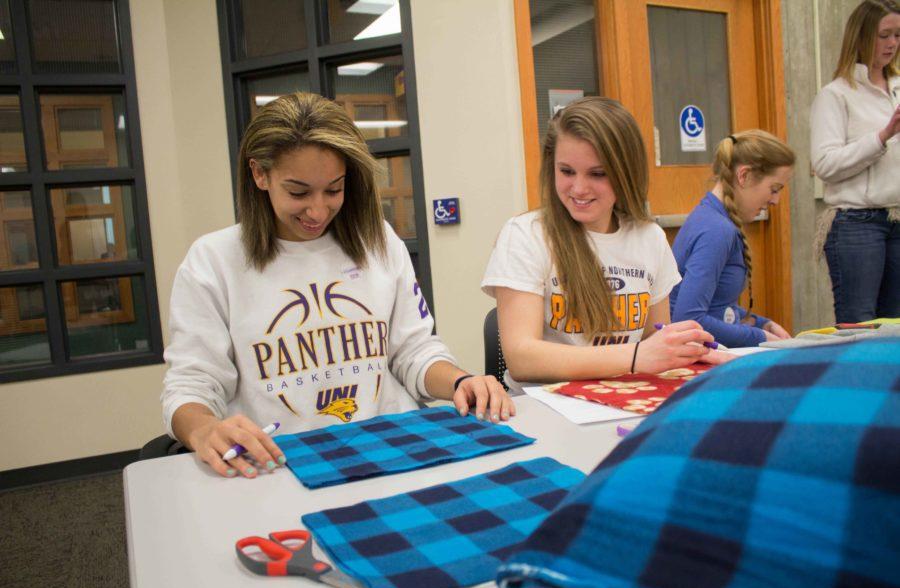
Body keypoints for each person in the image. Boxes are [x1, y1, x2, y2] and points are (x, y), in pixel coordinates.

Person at [162, 92, 513, 479]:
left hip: (394, 450)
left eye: (334, 190)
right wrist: (204, 429)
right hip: (280, 464)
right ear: (260, 175)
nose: (317, 211)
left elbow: (414, 350)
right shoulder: (213, 261)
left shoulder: (378, 240)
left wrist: (461, 381)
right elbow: (191, 385)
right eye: (298, 192)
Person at [481, 97, 728, 394]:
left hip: (626, 399)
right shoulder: (525, 235)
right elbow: (522, 359)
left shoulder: (649, 237)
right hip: (548, 407)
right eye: (566, 171)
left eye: (597, 174)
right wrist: (636, 357)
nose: (579, 189)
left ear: (626, 173)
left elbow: (656, 338)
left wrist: (685, 350)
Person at [811, 0, 900, 323]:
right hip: (856, 224)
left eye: (898, 35)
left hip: (897, 217)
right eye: (884, 35)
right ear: (861, 37)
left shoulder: (897, 87)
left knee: (895, 328)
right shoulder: (835, 95)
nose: (892, 44)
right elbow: (824, 164)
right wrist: (883, 135)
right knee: (860, 325)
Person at [669, 130, 795, 347]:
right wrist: (759, 338)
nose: (776, 200)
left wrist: (759, 323)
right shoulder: (716, 230)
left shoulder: (714, 219)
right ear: (743, 176)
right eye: (774, 189)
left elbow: (716, 307)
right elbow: (688, 319)